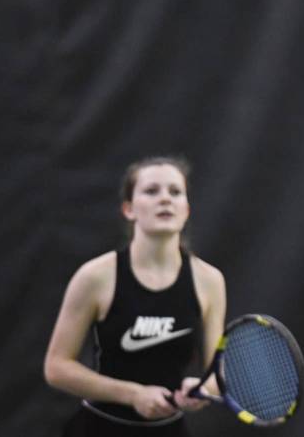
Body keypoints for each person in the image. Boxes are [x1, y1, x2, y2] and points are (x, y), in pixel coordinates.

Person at [45, 157, 226, 436]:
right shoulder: (95, 276)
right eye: (151, 191)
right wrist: (133, 394)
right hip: (100, 428)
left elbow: (217, 371)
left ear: (186, 210)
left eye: (175, 192)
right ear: (129, 209)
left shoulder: (209, 281)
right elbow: (56, 367)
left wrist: (201, 390)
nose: (165, 199)